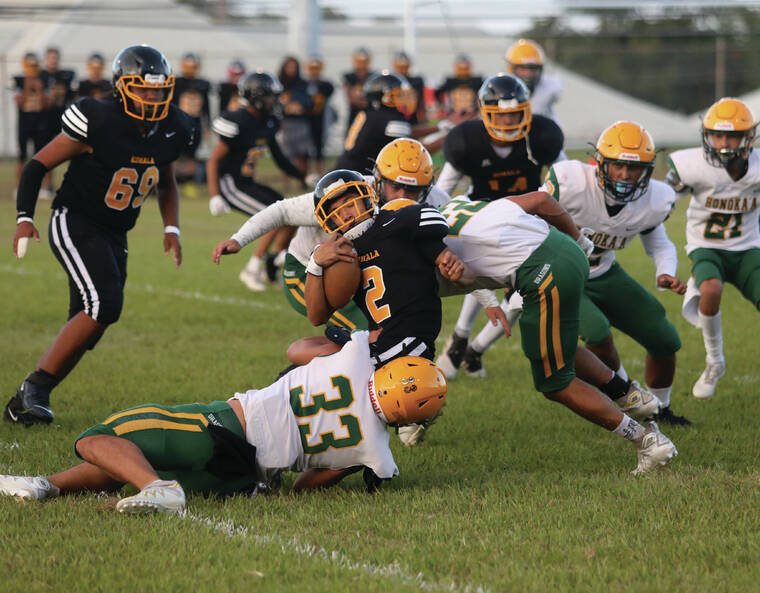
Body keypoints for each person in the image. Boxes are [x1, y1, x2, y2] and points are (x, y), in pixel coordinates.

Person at [0, 334, 447, 513]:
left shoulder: (354, 357)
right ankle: (45, 486)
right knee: (132, 462)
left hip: (223, 426)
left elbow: (296, 349)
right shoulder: (378, 454)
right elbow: (304, 486)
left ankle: (157, 488)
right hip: (245, 478)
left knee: (97, 438)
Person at [6, 44, 196, 426]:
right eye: (142, 89)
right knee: (105, 304)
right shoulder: (99, 118)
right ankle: (34, 390)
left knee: (91, 322)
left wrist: (171, 227)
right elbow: (37, 165)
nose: (152, 98)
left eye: (158, 91)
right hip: (76, 219)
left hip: (116, 231)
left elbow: (166, 180)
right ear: (121, 87)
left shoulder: (173, 126)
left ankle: (26, 399)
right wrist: (25, 218)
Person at [436, 192, 678, 474]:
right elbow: (541, 201)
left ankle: (646, 440)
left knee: (554, 382)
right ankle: (630, 395)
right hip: (564, 248)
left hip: (541, 272)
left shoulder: (410, 246)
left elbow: (456, 276)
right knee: (554, 348)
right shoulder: (454, 207)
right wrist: (579, 240)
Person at [539, 121, 690, 425]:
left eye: (633, 168)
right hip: (561, 274)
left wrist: (665, 271)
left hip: (604, 271)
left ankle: (659, 409)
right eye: (618, 165)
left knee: (664, 338)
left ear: (647, 170)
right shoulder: (571, 182)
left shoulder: (656, 199)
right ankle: (628, 395)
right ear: (600, 162)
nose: (624, 174)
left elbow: (658, 239)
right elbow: (529, 223)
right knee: (596, 332)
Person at [435, 73, 563, 378]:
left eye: (514, 114)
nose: (507, 121)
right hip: (480, 218)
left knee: (523, 296)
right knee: (481, 272)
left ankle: (472, 348)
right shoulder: (466, 140)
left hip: (526, 224)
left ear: (526, 112)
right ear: (485, 113)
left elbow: (566, 180)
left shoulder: (542, 136)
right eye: (500, 115)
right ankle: (460, 340)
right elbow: (440, 194)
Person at [668, 97, 760, 399]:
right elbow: (662, 199)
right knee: (710, 288)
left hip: (748, 248)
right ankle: (715, 360)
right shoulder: (692, 166)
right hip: (706, 246)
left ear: (747, 137)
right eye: (717, 135)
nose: (723, 143)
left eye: (731, 136)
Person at [206, 70, 307, 292]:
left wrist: (303, 176)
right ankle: (252, 269)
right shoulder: (239, 120)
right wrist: (215, 195)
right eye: (270, 96)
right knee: (273, 216)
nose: (274, 101)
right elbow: (213, 161)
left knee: (290, 213)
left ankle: (271, 263)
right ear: (256, 97)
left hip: (246, 182)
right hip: (230, 185)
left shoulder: (267, 121)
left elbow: (280, 158)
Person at [336, 71, 453, 175]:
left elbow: (409, 130)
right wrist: (449, 136)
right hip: (357, 176)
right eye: (398, 95)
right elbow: (417, 151)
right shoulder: (384, 118)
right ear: (383, 97)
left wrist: (439, 127)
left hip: (351, 171)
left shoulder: (374, 113)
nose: (403, 99)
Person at [13, 52, 49, 194]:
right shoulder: (19, 80)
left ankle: (42, 187)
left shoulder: (44, 79)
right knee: (21, 156)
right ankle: (19, 188)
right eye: (29, 66)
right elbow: (18, 103)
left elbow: (47, 104)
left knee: (40, 155)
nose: (32, 69)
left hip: (39, 121)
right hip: (24, 121)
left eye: (34, 66)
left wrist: (40, 89)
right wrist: (27, 88)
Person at [505, 39, 562, 122]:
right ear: (511, 68)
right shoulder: (502, 89)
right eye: (522, 68)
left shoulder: (549, 88)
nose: (527, 73)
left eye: (532, 68)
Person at [277, 56, 312, 186]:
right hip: (285, 123)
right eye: (289, 67)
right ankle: (286, 184)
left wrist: (300, 106)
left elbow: (309, 102)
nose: (291, 70)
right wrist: (285, 107)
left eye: (294, 67)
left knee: (302, 154)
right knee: (285, 155)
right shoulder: (279, 83)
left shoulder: (302, 84)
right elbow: (275, 103)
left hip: (300, 122)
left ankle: (302, 181)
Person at [304, 56, 335, 176]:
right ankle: (306, 175)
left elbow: (329, 91)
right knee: (305, 150)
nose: (314, 71)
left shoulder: (325, 84)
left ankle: (320, 173)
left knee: (319, 149)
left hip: (321, 120)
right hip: (306, 120)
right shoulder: (303, 84)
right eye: (312, 68)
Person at [342, 47, 374, 135]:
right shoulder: (349, 77)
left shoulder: (373, 76)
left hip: (370, 115)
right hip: (354, 114)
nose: (362, 64)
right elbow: (350, 97)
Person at [392, 51, 426, 125]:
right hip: (394, 120)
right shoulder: (390, 81)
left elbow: (421, 102)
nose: (402, 69)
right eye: (400, 66)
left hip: (412, 119)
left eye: (404, 67)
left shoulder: (416, 82)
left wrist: (423, 116)